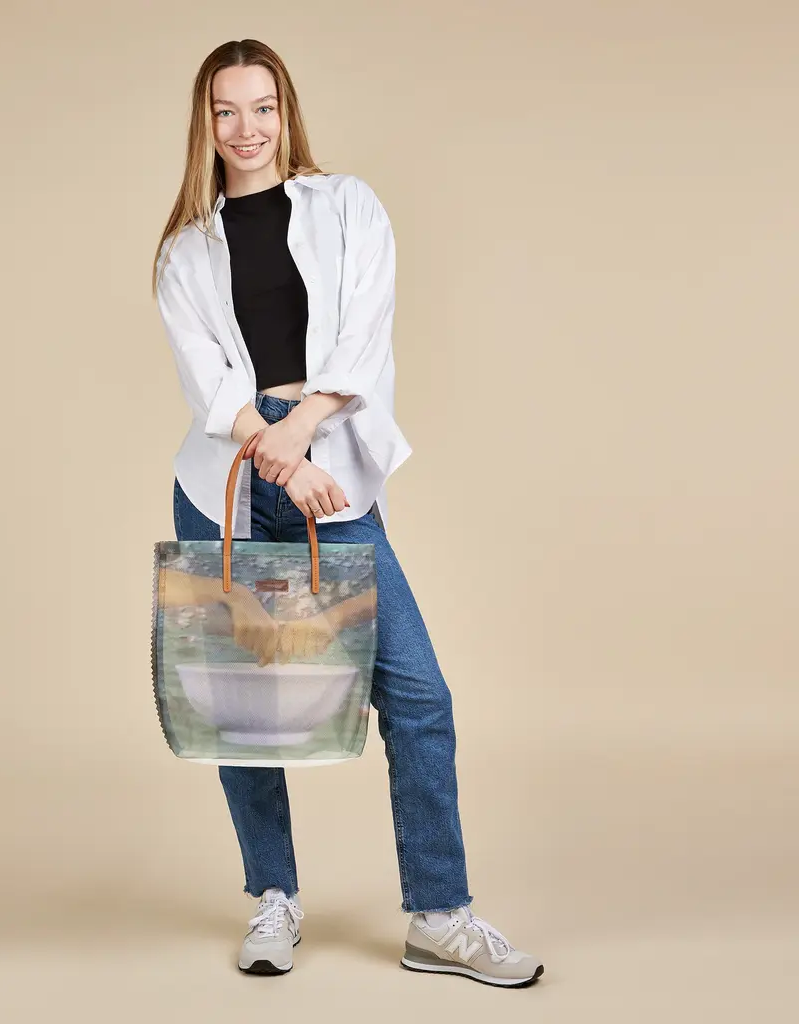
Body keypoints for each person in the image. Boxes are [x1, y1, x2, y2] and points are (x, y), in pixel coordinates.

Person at [151, 38, 544, 987]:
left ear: (287, 111)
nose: (246, 128)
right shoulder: (184, 249)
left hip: (325, 462)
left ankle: (440, 916)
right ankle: (273, 898)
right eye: (225, 111)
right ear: (204, 122)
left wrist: (300, 437)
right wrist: (278, 454)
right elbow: (211, 385)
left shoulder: (348, 207)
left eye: (262, 107)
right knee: (241, 706)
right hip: (226, 483)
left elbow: (365, 338)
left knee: (418, 696)